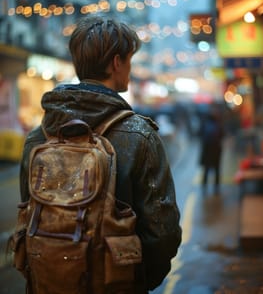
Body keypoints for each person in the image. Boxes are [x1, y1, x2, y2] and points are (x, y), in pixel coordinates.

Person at [19, 15, 182, 293]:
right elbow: (162, 232)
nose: (130, 68)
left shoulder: (39, 136)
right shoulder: (139, 135)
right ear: (116, 62)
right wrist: (135, 280)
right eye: (129, 60)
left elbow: (27, 213)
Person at [200, 108, 224, 194]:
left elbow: (200, 135)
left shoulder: (205, 124)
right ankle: (216, 187)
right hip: (216, 150)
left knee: (206, 169)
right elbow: (222, 136)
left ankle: (204, 186)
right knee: (217, 169)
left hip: (207, 150)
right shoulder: (218, 125)